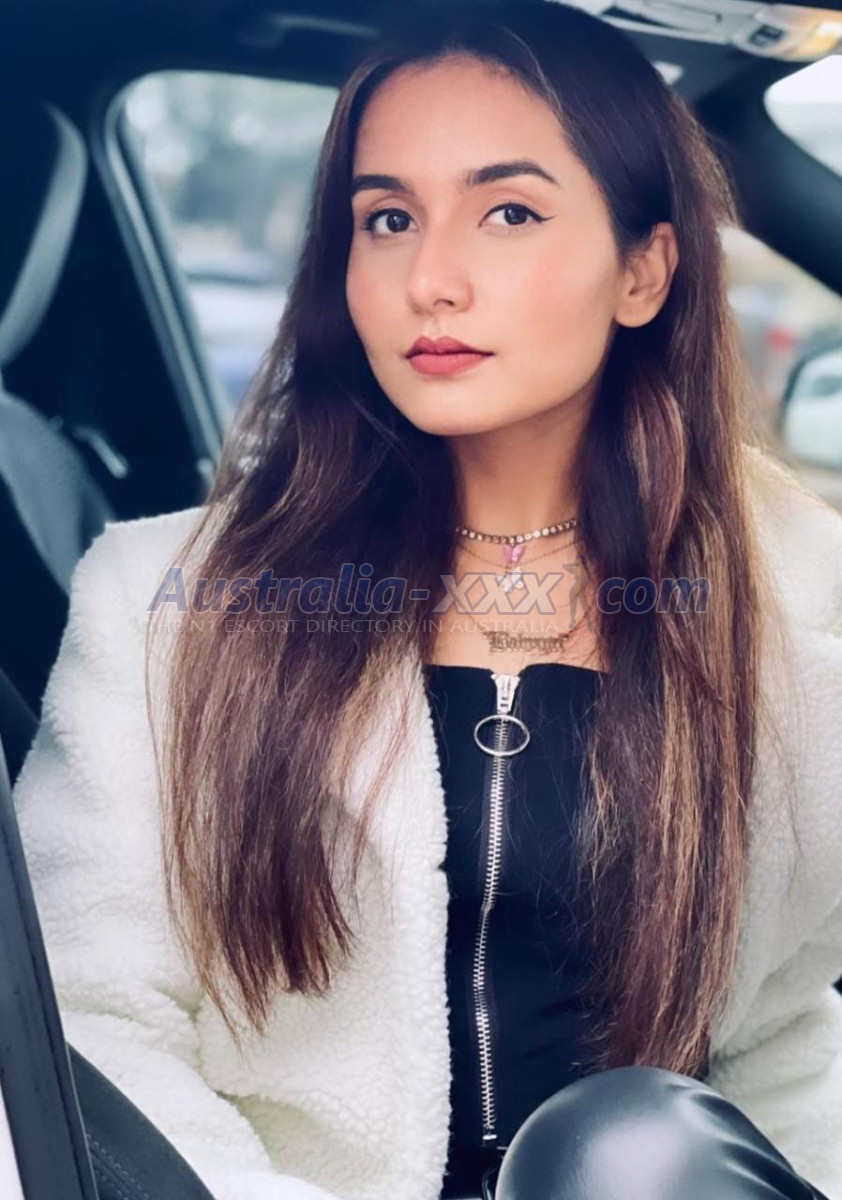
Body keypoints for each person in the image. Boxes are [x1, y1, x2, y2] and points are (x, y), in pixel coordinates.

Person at [11, 2, 842, 1199]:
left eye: (507, 213)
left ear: (642, 271)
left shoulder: (792, 618)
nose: (427, 281)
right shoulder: (169, 605)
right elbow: (84, 1021)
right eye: (386, 219)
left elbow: (778, 1040)